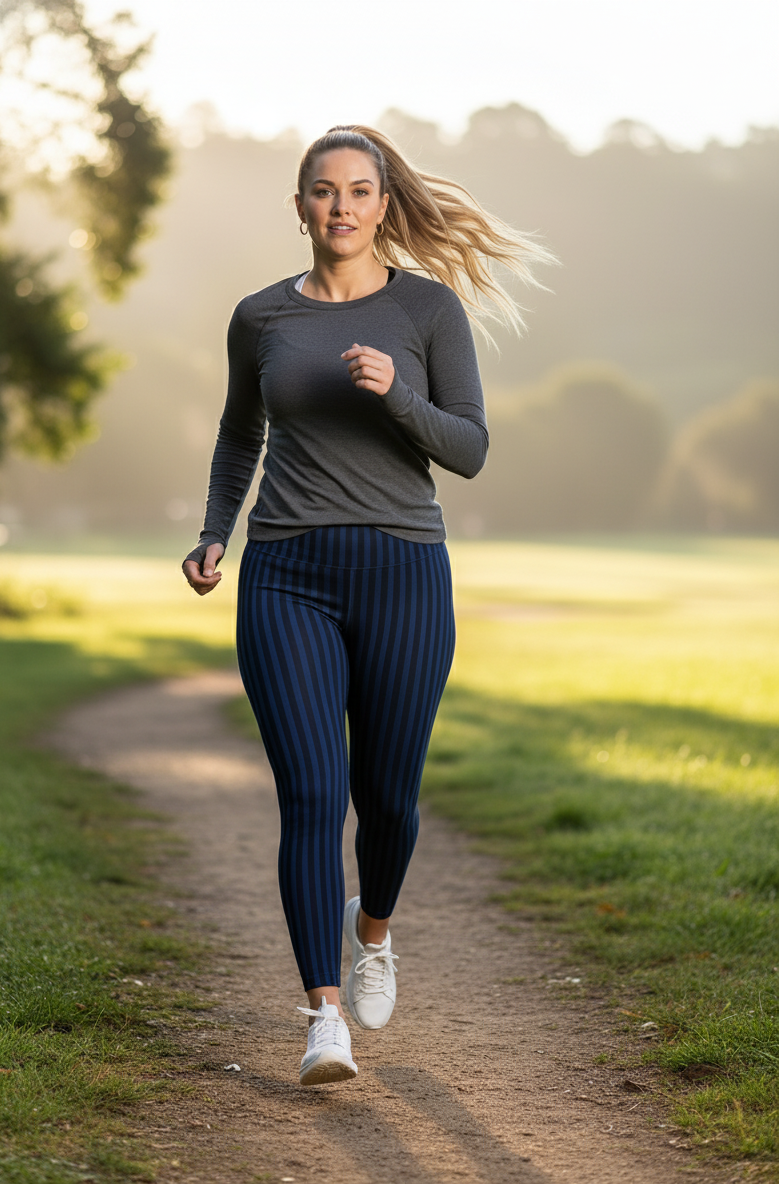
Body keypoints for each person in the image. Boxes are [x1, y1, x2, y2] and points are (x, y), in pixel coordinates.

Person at [182, 125, 552, 1086]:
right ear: (299, 204)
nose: (339, 207)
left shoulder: (428, 311)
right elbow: (237, 439)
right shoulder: (260, 318)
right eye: (321, 190)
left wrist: (395, 397)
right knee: (311, 796)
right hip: (286, 576)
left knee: (389, 800)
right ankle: (323, 1016)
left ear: (384, 205)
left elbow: (467, 448)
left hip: (404, 574)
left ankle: (373, 932)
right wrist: (219, 529)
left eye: (357, 191)